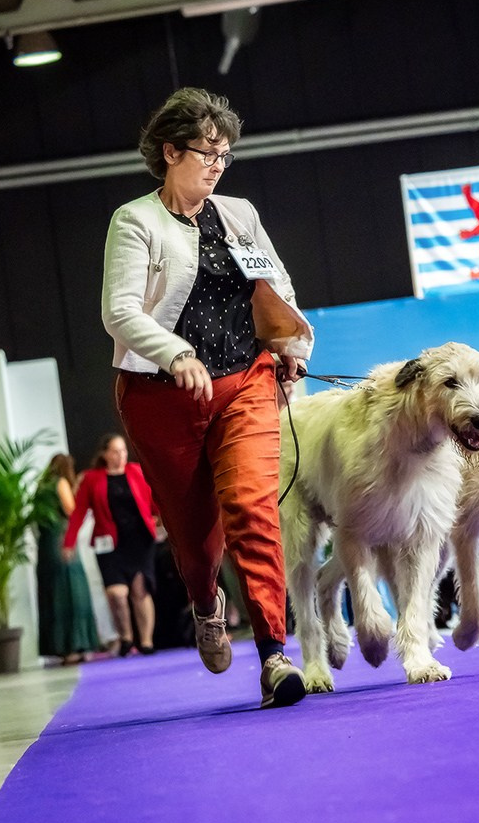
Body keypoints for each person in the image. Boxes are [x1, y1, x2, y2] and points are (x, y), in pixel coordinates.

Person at [101, 87, 315, 709]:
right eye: (206, 152)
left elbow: (277, 286)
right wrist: (176, 353)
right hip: (160, 396)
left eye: (225, 153)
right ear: (170, 152)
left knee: (253, 510)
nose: (218, 163)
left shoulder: (241, 213)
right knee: (196, 538)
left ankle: (275, 654)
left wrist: (287, 349)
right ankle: (205, 601)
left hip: (245, 382)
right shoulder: (135, 221)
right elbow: (118, 313)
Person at [62, 433, 159, 656]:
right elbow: (78, 513)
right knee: (116, 594)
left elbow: (154, 502)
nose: (120, 455)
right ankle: (125, 637)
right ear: (105, 454)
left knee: (140, 591)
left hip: (140, 540)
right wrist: (69, 542)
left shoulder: (137, 472)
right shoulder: (91, 479)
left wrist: (162, 520)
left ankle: (145, 641)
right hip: (109, 544)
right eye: (115, 451)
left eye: (123, 450)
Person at [36, 454, 100, 664]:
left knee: (53, 595)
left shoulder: (41, 487)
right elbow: (72, 510)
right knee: (72, 592)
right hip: (62, 542)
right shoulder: (61, 483)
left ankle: (59, 647)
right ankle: (75, 645)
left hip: (45, 547)